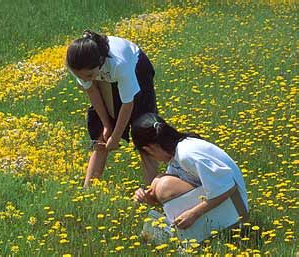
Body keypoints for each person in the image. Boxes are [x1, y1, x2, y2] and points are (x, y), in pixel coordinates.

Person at [66, 30, 159, 187]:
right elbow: (92, 90)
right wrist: (107, 125)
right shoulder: (77, 63)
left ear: (101, 62)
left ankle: (150, 191)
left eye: (88, 76)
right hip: (105, 75)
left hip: (137, 69)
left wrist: (115, 138)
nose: (84, 80)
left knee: (143, 127)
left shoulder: (120, 65)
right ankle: (89, 191)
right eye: (80, 76)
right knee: (100, 132)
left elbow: (128, 104)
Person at [132, 113, 249, 230]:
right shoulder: (177, 152)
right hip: (229, 207)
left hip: (237, 214)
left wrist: (193, 214)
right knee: (158, 182)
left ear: (149, 149)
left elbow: (229, 187)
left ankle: (184, 234)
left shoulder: (186, 154)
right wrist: (148, 197)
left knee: (164, 186)